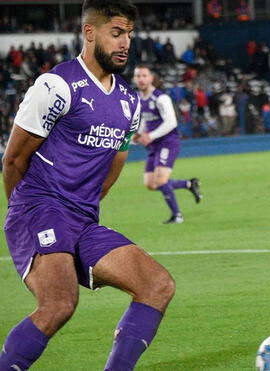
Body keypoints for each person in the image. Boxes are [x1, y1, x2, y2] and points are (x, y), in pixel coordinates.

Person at [0, 1, 176, 370]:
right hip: (39, 207)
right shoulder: (57, 85)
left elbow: (113, 166)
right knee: (59, 304)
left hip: (83, 219)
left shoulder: (129, 102)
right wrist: (25, 216)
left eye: (129, 34)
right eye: (116, 33)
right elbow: (14, 160)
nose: (125, 42)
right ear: (90, 33)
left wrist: (83, 208)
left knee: (157, 285)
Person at [133, 65, 202, 224]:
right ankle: (189, 184)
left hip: (167, 143)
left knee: (161, 180)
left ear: (151, 78)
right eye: (138, 76)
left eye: (144, 75)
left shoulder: (161, 98)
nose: (141, 79)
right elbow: (145, 119)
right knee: (150, 184)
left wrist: (150, 135)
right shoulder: (139, 98)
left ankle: (177, 215)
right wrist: (138, 136)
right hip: (153, 145)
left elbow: (171, 122)